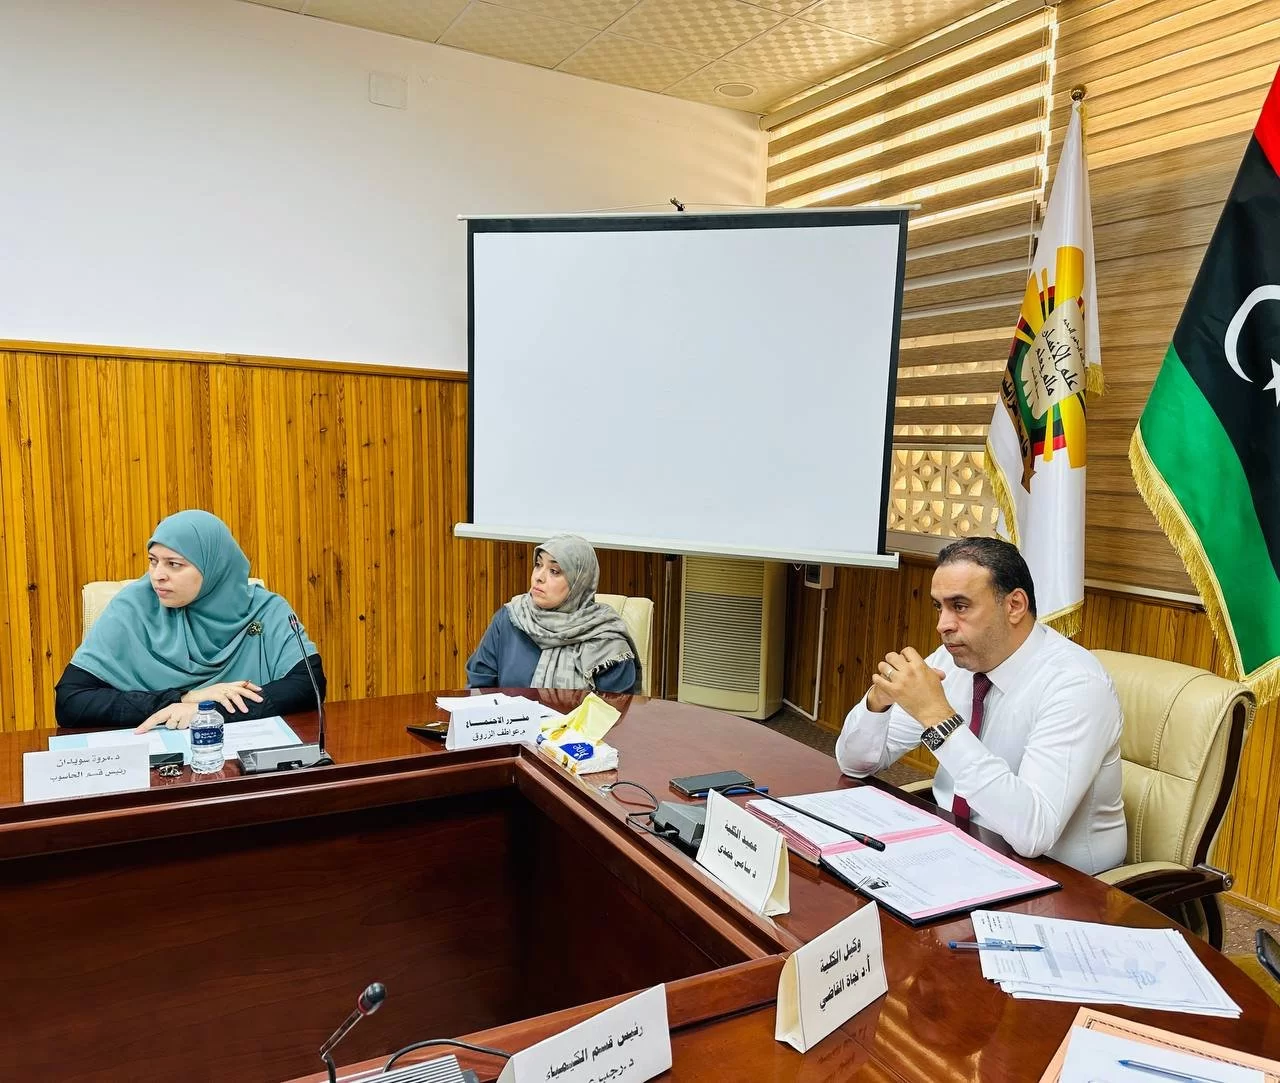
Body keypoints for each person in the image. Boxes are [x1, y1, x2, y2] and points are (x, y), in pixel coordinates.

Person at [835, 536, 1125, 875]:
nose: (942, 624)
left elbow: (1034, 833)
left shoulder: (1076, 685)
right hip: (958, 846)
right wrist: (878, 702)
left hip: (1062, 878)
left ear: (1014, 605)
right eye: (939, 607)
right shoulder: (953, 659)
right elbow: (855, 764)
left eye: (960, 606)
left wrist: (937, 718)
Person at [55, 509, 326, 731]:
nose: (157, 575)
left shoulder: (265, 610)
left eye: (174, 564)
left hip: (243, 762)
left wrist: (206, 712)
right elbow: (71, 702)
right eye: (153, 561)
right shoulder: (133, 608)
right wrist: (181, 699)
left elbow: (308, 685)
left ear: (213, 568)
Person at [466, 534, 640, 693]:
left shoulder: (606, 641)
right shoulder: (511, 618)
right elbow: (478, 688)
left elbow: (614, 712)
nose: (539, 577)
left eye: (554, 571)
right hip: (508, 719)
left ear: (579, 582)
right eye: (538, 565)